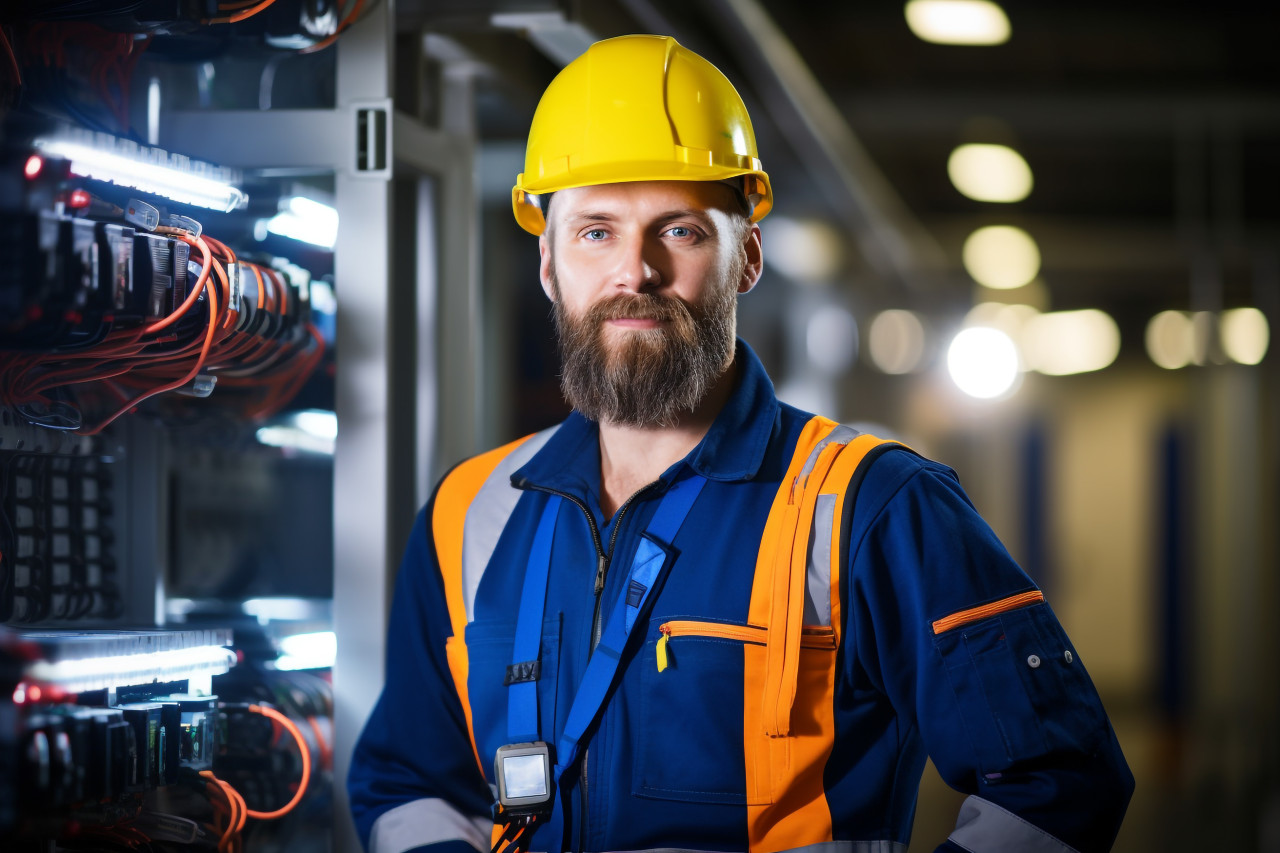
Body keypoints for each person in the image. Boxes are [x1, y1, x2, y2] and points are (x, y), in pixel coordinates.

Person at [348, 34, 1134, 853]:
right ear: (548, 263)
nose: (635, 271)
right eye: (595, 232)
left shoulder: (872, 506)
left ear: (747, 259)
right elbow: (411, 780)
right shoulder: (468, 512)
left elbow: (1061, 783)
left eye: (680, 231)